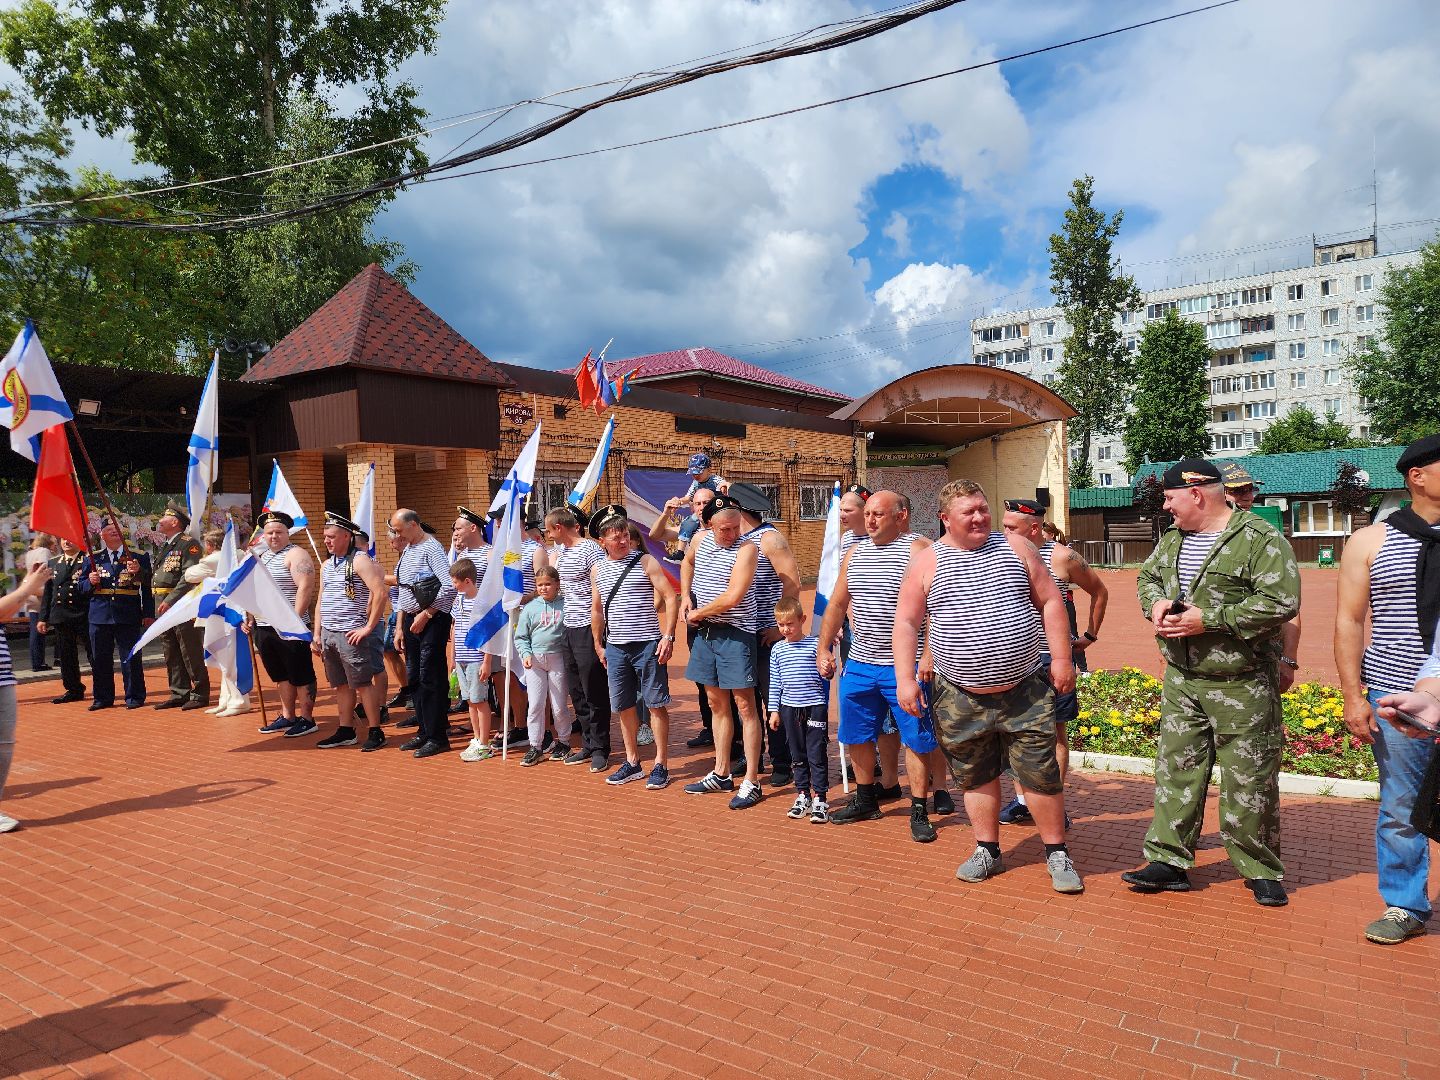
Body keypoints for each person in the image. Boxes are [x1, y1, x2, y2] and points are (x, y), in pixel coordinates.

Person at [1123, 458, 1300, 906]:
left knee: (1250, 776)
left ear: (1196, 493)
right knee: (1176, 772)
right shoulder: (1172, 541)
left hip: (1240, 682)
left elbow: (1281, 601)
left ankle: (1259, 866)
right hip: (1183, 680)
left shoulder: (1259, 539)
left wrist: (1212, 620)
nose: (1166, 507)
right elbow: (1147, 579)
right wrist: (1157, 602)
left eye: (1169, 498)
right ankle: (1168, 860)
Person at [894, 478, 1083, 894]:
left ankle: (1056, 851)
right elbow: (907, 621)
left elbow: (1051, 600)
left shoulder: (1017, 547)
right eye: (969, 512)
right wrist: (904, 679)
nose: (980, 517)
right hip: (959, 694)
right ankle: (987, 850)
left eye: (983, 508)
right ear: (945, 518)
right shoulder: (926, 561)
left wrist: (1064, 658)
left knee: (1040, 774)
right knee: (975, 776)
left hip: (1025, 689)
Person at [1336, 433, 1440, 944]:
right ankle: (1404, 903)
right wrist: (1354, 695)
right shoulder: (1371, 540)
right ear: (1416, 475)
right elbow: (1350, 621)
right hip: (1398, 697)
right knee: (1401, 806)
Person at [819, 490, 941, 842]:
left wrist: (928, 655)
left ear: (901, 516)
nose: (869, 521)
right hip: (859, 663)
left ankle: (919, 809)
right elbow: (838, 603)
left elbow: (936, 607)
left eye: (878, 514)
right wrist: (824, 647)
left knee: (916, 739)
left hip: (903, 668)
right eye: (868, 513)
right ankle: (866, 798)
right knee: (855, 734)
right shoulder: (855, 553)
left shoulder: (918, 551)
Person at [998, 499, 1109, 825]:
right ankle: (1022, 801)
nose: (1003, 532)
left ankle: (1055, 804)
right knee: (1013, 734)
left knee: (1054, 734)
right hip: (1013, 659)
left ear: (1034, 527)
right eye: (1003, 525)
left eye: (1010, 527)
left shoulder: (1062, 557)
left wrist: (1089, 635)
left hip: (1051, 660)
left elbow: (1099, 591)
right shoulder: (1001, 553)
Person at [681, 494, 764, 808]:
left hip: (735, 634)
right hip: (706, 634)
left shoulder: (748, 549)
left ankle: (752, 779)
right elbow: (686, 562)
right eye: (724, 530)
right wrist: (687, 596)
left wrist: (698, 613)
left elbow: (733, 597)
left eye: (735, 527)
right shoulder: (700, 540)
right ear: (708, 525)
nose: (732, 534)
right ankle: (721, 772)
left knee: (745, 707)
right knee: (716, 703)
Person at [588, 505, 679, 790]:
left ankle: (661, 764)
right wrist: (598, 645)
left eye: (625, 535)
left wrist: (668, 636)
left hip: (648, 645)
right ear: (602, 540)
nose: (623, 540)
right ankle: (632, 762)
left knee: (655, 705)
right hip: (615, 648)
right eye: (616, 537)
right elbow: (597, 609)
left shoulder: (646, 561)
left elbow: (670, 597)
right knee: (623, 706)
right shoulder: (597, 569)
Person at [731, 482, 801, 788]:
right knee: (746, 698)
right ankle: (753, 755)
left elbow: (793, 582)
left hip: (766, 633)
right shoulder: (737, 539)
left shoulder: (769, 538)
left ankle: (782, 760)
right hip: (741, 630)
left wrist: (779, 625)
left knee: (772, 697)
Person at [835, 484, 902, 799]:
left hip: (899, 652)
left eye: (849, 508)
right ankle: (867, 774)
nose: (844, 514)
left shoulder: (906, 546)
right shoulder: (849, 543)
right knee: (861, 713)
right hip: (859, 639)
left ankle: (896, 778)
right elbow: (841, 593)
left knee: (896, 718)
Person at [1224, 463, 1303, 695]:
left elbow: (1290, 609)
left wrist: (1288, 660)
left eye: (1251, 490)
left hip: (1259, 665)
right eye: (1238, 491)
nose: (1247, 496)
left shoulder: (1266, 539)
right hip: (1208, 665)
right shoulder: (1195, 539)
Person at [313, 512, 387, 751]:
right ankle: (346, 729)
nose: (327, 541)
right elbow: (321, 600)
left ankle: (375, 730)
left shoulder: (360, 560)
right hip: (329, 633)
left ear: (346, 536)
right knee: (340, 685)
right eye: (325, 537)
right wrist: (316, 633)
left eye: (332, 537)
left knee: (363, 683)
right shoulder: (326, 564)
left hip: (350, 633)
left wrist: (368, 627)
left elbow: (380, 593)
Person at [546, 506, 610, 770]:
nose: (548, 536)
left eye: (550, 531)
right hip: (568, 626)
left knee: (593, 687)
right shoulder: (560, 552)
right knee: (577, 690)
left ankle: (601, 748)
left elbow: (600, 588)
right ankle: (587, 743)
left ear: (560, 528)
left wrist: (599, 631)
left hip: (587, 625)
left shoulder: (590, 550)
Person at [391, 509, 456, 758]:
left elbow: (448, 586)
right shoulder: (408, 549)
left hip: (431, 619)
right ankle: (424, 729)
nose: (397, 535)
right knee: (415, 677)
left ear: (414, 525)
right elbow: (403, 589)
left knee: (431, 677)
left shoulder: (432, 548)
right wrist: (399, 626)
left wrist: (427, 613)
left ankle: (438, 736)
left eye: (399, 530)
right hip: (410, 618)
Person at [250, 511, 319, 733]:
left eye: (278, 532)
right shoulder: (261, 557)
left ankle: (307, 719)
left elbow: (305, 588)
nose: (273, 537)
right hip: (264, 626)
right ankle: (288, 716)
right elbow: (252, 589)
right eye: (269, 533)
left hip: (290, 628)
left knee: (300, 674)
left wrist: (294, 620)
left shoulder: (297, 554)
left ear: (287, 533)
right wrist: (249, 616)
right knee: (280, 674)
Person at [0, 558, 54, 833]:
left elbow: (4, 615)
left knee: (4, 744)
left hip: (3, 675)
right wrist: (26, 589)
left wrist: (26, 585)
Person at [78, 518, 153, 711]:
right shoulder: (92, 558)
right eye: (109, 529)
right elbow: (81, 588)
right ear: (101, 535)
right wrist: (90, 582)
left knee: (131, 658)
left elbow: (147, 586)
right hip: (99, 616)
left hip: (127, 615)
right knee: (100, 659)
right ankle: (103, 698)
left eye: (116, 529)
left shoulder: (137, 556)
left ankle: (134, 696)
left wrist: (148, 613)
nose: (113, 532)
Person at [769, 597, 832, 824]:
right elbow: (775, 682)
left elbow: (827, 674)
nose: (786, 629)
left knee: (816, 752)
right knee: (797, 754)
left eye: (790, 624)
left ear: (802, 620)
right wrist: (774, 711)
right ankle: (803, 794)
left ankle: (820, 798)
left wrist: (828, 669)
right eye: (781, 625)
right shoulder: (777, 650)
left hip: (814, 706)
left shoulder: (815, 644)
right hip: (789, 708)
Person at [149, 505, 209, 710]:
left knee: (188, 649)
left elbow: (189, 576)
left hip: (179, 604)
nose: (160, 520)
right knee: (170, 649)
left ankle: (200, 693)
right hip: (162, 603)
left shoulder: (188, 544)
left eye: (165, 517)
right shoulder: (166, 545)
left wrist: (171, 599)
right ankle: (179, 692)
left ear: (175, 522)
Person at [187, 528, 251, 717]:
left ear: (209, 545)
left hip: (226, 613)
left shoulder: (216, 558)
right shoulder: (242, 555)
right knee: (226, 660)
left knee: (230, 659)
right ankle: (226, 700)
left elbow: (190, 575)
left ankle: (240, 701)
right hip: (229, 612)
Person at [516, 565, 574, 766]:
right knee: (536, 705)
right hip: (535, 662)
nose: (543, 588)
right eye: (540, 585)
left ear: (557, 585)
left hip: (558, 659)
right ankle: (536, 746)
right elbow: (521, 636)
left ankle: (564, 742)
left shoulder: (566, 605)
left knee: (559, 706)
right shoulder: (531, 608)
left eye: (548, 584)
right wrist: (525, 653)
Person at [447, 558, 498, 762]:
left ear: (467, 581)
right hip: (461, 658)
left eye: (455, 581)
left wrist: (487, 661)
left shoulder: (482, 603)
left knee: (479, 700)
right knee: (469, 700)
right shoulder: (458, 600)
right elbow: (454, 628)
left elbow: (488, 634)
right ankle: (476, 738)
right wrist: (452, 657)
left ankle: (484, 743)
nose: (453, 585)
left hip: (476, 659)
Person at [39, 537, 90, 704]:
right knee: (66, 656)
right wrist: (43, 618)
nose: (67, 542)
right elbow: (48, 592)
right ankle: (73, 688)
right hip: (61, 614)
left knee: (94, 654)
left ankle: (103, 688)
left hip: (84, 613)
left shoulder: (88, 560)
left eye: (70, 539)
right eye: (63, 540)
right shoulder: (54, 563)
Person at [381, 528, 413, 720]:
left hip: (407, 611)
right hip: (397, 611)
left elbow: (403, 580)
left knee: (409, 653)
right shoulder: (402, 555)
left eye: (391, 540)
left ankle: (412, 692)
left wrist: (378, 575)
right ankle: (406, 688)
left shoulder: (412, 553)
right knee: (388, 649)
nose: (390, 543)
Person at [23, 534, 53, 672]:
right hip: (41, 593)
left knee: (35, 630)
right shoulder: (44, 552)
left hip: (31, 592)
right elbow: (44, 568)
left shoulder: (30, 553)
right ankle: (38, 662)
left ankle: (37, 661)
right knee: (39, 630)